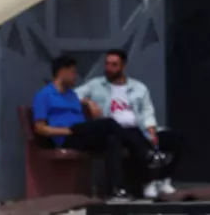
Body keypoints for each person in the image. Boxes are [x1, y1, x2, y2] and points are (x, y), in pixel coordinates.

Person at [32, 56, 152, 200]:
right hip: (68, 137)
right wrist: (68, 131)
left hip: (82, 134)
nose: (75, 76)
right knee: (108, 123)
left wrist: (88, 102)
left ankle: (117, 190)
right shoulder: (44, 95)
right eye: (72, 72)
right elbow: (40, 128)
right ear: (62, 72)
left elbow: (82, 101)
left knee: (113, 140)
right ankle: (147, 152)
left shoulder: (71, 95)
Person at [76, 49, 178, 198]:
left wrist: (151, 130)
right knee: (116, 139)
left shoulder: (138, 87)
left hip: (137, 130)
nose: (109, 68)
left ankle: (160, 180)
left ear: (123, 66)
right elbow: (72, 95)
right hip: (111, 131)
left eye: (114, 65)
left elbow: (147, 111)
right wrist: (88, 101)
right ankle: (146, 165)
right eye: (107, 64)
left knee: (175, 138)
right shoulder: (96, 85)